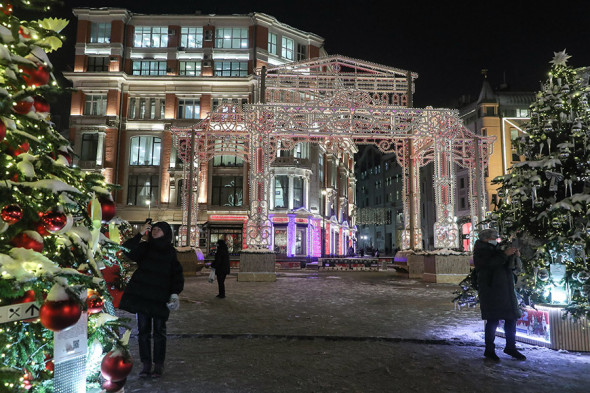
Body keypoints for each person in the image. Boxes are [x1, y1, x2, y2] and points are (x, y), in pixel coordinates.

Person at [119, 221, 184, 378]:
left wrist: (174, 293)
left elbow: (176, 273)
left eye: (159, 229)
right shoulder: (145, 248)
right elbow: (126, 250)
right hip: (143, 297)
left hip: (160, 298)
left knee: (159, 332)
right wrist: (139, 234)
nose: (155, 231)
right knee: (143, 332)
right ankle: (146, 364)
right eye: (153, 229)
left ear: (166, 233)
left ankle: (158, 365)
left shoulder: (170, 252)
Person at [473, 228, 526, 361]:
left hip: (505, 289)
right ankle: (489, 350)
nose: (496, 240)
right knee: (493, 320)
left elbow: (506, 266)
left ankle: (510, 347)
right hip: (491, 290)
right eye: (493, 237)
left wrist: (514, 256)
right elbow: (490, 264)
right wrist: (504, 254)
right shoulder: (481, 250)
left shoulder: (496, 250)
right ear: (485, 239)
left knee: (511, 318)